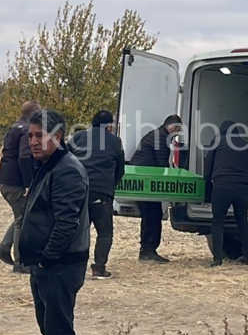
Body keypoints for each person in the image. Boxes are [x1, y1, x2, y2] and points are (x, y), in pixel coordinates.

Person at [19, 109, 89, 335]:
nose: (33, 141)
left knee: (59, 330)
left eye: (40, 135)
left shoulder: (67, 170)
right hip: (45, 264)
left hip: (61, 264)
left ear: (58, 136)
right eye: (30, 135)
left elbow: (66, 223)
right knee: (48, 326)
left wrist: (48, 259)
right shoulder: (48, 165)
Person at [69, 110, 125, 279]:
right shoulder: (115, 141)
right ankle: (99, 268)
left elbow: (65, 159)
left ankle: (72, 264)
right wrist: (111, 188)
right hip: (102, 192)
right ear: (109, 125)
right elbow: (120, 169)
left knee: (76, 230)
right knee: (105, 232)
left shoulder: (78, 138)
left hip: (78, 190)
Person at [0, 101, 40, 274]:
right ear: (34, 113)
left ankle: (4, 249)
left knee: (21, 215)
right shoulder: (26, 130)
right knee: (23, 219)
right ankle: (20, 263)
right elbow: (24, 157)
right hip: (16, 183)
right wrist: (29, 183)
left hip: (5, 179)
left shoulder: (15, 127)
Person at [130, 114, 182, 263]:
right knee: (152, 215)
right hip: (147, 180)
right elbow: (161, 164)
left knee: (149, 215)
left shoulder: (157, 135)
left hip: (144, 179)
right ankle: (148, 250)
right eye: (177, 129)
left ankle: (147, 250)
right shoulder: (161, 138)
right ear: (171, 126)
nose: (177, 132)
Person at [204, 121, 248, 266]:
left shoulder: (218, 141)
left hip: (222, 185)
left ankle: (217, 259)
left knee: (218, 221)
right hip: (242, 188)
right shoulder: (246, 145)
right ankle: (247, 257)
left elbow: (209, 165)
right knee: (243, 221)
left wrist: (206, 185)